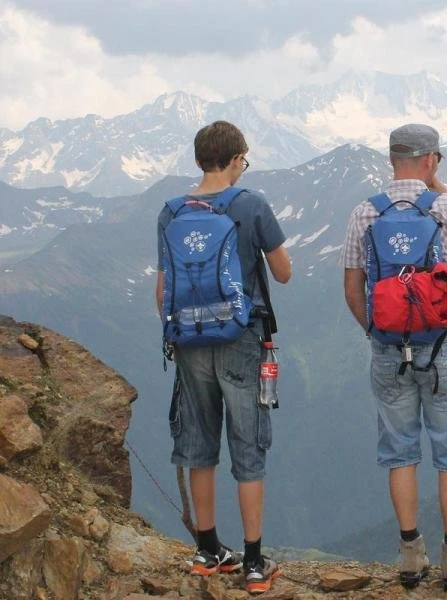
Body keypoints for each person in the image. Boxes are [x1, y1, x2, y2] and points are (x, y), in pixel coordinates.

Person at [340, 123, 447, 593]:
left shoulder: (364, 213)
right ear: (430, 160)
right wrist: (441, 190)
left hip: (387, 349)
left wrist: (377, 332)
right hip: (443, 346)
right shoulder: (445, 207)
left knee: (399, 451)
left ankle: (410, 555)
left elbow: (353, 286)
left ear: (392, 160)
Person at [155, 120, 292, 594]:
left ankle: (207, 550)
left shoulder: (171, 213)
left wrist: (188, 326)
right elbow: (284, 271)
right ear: (236, 159)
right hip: (242, 339)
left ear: (199, 160)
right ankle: (254, 562)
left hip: (190, 339)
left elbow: (163, 290)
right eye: (244, 160)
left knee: (198, 446)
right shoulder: (250, 204)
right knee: (247, 446)